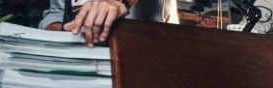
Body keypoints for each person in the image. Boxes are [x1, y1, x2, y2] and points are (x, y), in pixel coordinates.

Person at [40, 0, 174, 47]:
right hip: (82, 55)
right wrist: (57, 34)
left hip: (137, 52)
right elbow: (57, 12)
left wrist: (119, 2)